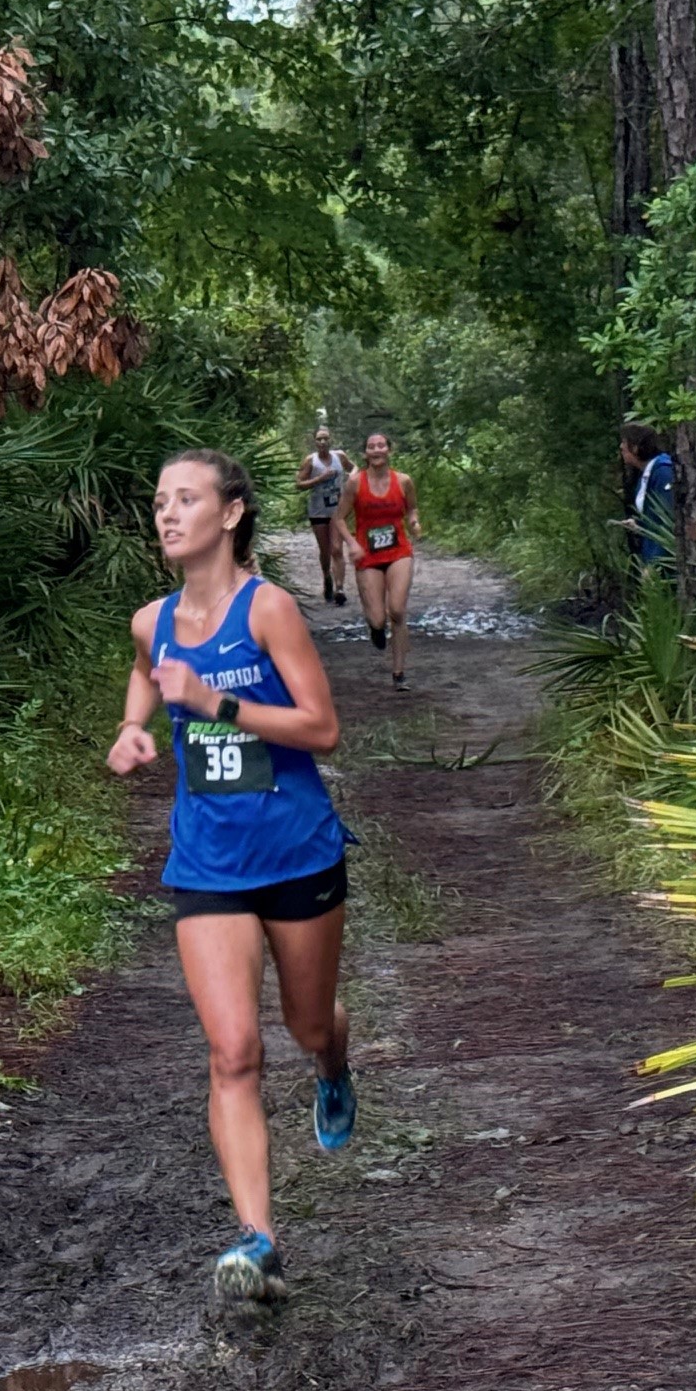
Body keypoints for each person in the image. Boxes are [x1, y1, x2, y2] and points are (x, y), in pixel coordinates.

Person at [106, 448, 357, 1304]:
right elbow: (148, 673)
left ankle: (333, 1065)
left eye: (187, 499)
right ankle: (258, 1240)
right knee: (233, 1050)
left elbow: (322, 728)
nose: (169, 513)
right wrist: (135, 729)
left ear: (233, 513)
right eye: (160, 501)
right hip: (208, 861)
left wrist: (215, 704)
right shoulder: (153, 619)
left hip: (296, 852)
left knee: (307, 1023)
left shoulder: (270, 611)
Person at [336, 432, 423, 692]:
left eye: (381, 445)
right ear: (365, 453)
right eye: (371, 447)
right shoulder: (355, 483)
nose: (376, 450)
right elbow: (339, 518)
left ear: (389, 450)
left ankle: (399, 673)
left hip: (399, 551)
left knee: (397, 610)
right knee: (377, 618)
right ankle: (375, 627)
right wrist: (352, 544)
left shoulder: (404, 481)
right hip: (368, 555)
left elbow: (412, 508)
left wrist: (414, 522)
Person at [295, 427, 353, 606]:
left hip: (337, 509)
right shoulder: (310, 461)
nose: (322, 442)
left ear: (330, 440)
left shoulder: (340, 457)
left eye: (325, 439)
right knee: (326, 550)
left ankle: (340, 588)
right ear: (314, 441)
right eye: (319, 439)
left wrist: (353, 483)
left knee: (337, 548)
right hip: (318, 510)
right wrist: (319, 479)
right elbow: (299, 484)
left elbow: (354, 469)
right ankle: (327, 576)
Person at [617, 423, 674, 564]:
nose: (621, 447)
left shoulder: (663, 473)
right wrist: (640, 524)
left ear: (635, 448)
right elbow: (653, 515)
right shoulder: (647, 474)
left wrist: (656, 562)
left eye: (624, 442)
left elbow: (667, 520)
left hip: (666, 562)